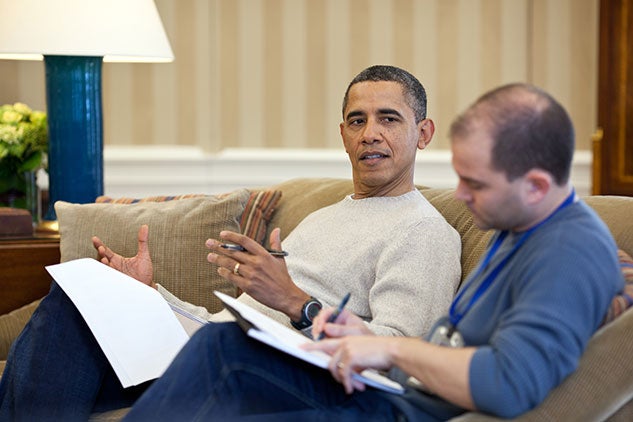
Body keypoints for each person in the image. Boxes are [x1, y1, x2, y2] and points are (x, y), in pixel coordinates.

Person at [121, 83, 624, 421]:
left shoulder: (569, 252)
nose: (461, 198)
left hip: (402, 411)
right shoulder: (527, 226)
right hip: (387, 390)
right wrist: (357, 334)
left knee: (223, 352)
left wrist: (393, 348)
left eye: (475, 184)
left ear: (536, 184)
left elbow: (513, 382)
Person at [0, 65, 462, 420]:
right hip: (218, 347)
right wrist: (149, 294)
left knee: (212, 344)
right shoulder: (324, 217)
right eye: (357, 121)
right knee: (78, 299)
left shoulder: (423, 232)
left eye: (389, 119)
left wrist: (297, 302)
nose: (370, 134)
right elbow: (224, 320)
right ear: (343, 136)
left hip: (285, 377)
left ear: (422, 134)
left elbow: (402, 357)